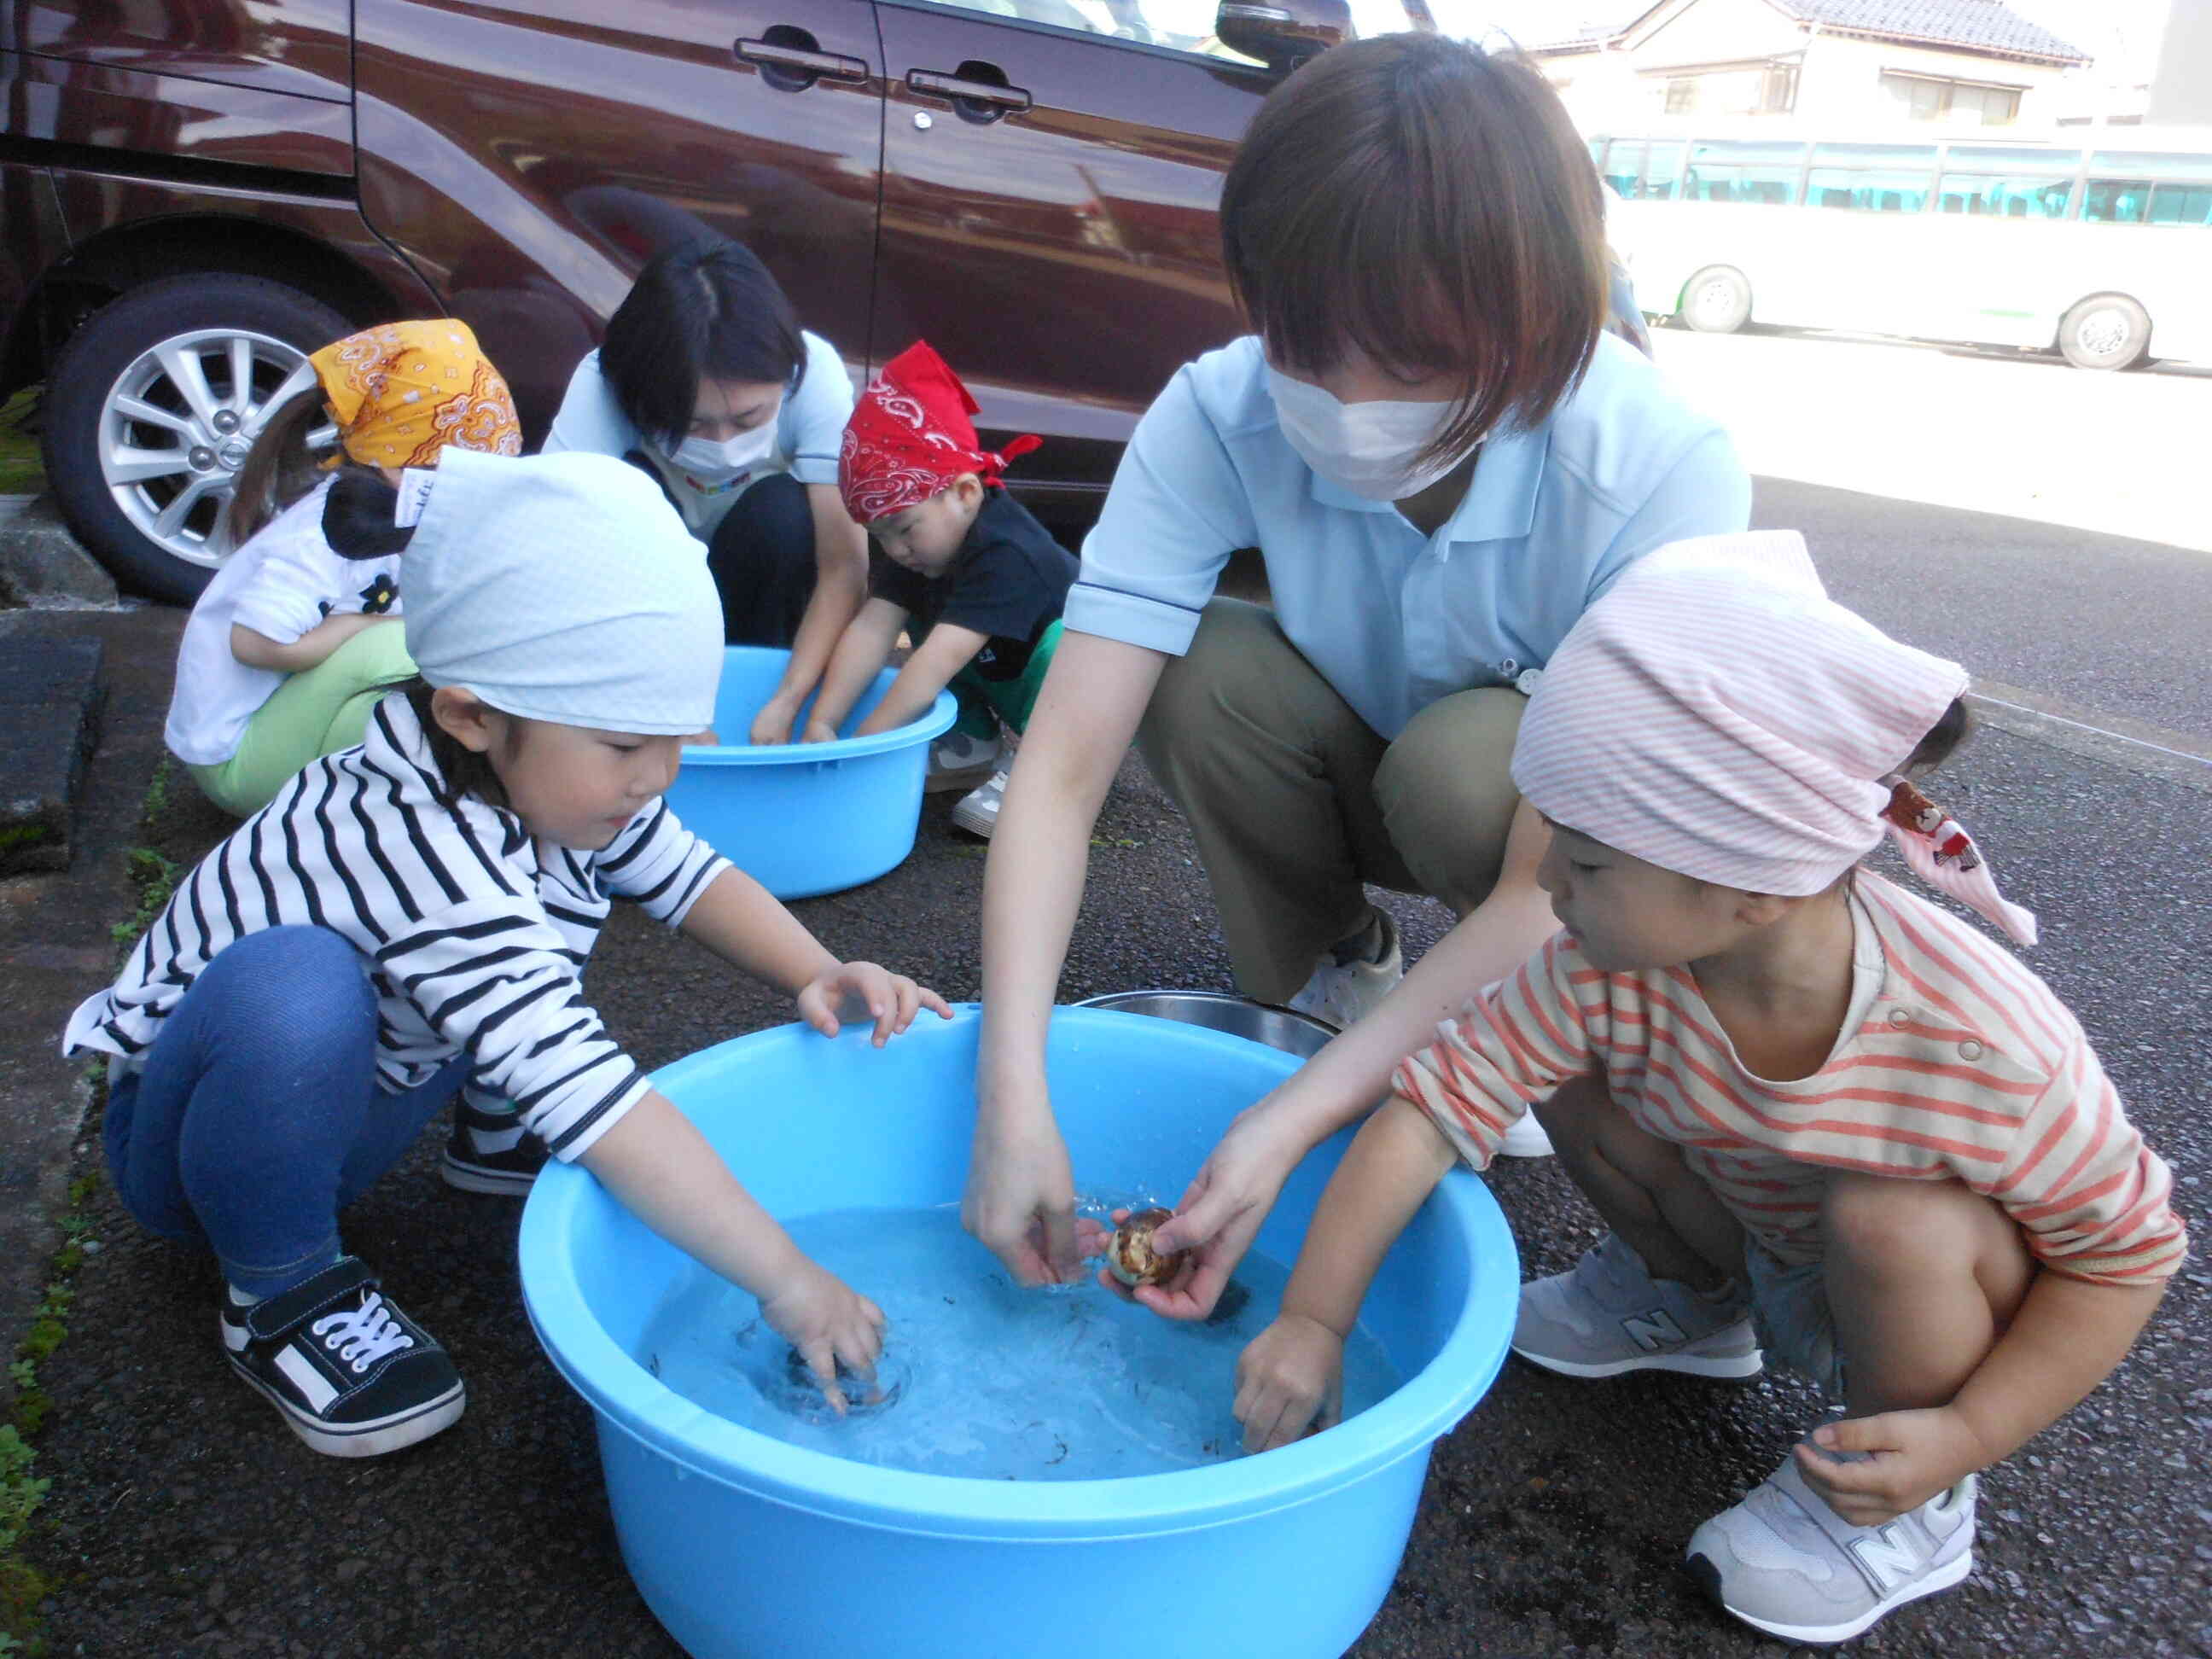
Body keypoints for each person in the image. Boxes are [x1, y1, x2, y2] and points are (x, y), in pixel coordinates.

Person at [1230, 531, 2184, 1645]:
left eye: (1586, 863)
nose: (1541, 884)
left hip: (1919, 1292)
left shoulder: (1983, 1045)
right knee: (1567, 1072)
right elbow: (1431, 1111)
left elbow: (2125, 1263)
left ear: (1753, 890)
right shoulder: (1607, 963)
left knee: (1891, 1216)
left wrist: (1970, 1431)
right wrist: (1311, 1318)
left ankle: (1903, 1499)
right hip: (1762, 1232)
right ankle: (1693, 1305)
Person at [964, 35, 1750, 1292]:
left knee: (1466, 766)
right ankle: (1343, 972)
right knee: (1197, 668)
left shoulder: (1653, 465)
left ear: (1538, 322)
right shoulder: (1217, 412)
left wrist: (1291, 1122)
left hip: (1527, 838)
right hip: (1344, 755)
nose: (1347, 400)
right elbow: (1059, 774)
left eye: (1417, 362)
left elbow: (1549, 887)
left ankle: (1554, 1106)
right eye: (1303, 348)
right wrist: (1011, 1100)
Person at [66, 450, 952, 1458]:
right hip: (208, 1147)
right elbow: (598, 1099)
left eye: (673, 738)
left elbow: (687, 873)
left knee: (537, 921)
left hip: (370, 1082)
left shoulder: (541, 771)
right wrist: (792, 1280)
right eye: (627, 748)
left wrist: (813, 969)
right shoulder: (415, 848)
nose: (656, 778)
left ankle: (492, 1141)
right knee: (297, 987)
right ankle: (279, 1287)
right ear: (471, 713)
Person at [164, 320, 522, 816]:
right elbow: (256, 643)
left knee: (439, 646)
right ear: (400, 467)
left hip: (286, 721)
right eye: (461, 477)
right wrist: (360, 624)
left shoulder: (397, 509)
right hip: (236, 761)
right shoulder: (323, 536)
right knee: (406, 650)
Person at [542, 239, 868, 745]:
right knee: (622, 497)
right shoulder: (603, 384)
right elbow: (556, 552)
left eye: (748, 417)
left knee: (783, 511)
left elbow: (844, 564)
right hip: (643, 589)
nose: (723, 443)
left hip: (761, 575)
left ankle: (759, 671)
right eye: (691, 423)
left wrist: (787, 701)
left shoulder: (813, 374)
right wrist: (658, 704)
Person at [806, 340, 1076, 837]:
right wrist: (824, 722)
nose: (894, 550)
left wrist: (865, 751)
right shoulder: (918, 544)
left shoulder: (1005, 552)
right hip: (1001, 670)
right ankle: (971, 743)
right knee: (916, 611)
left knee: (1067, 651)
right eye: (878, 535)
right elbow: (871, 629)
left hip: (1072, 692)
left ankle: (1058, 776)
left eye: (904, 529)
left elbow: (935, 664)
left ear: (966, 493)